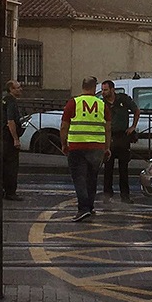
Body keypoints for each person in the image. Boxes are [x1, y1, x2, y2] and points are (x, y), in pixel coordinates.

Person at [60, 76, 111, 222]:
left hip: (77, 146)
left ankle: (83, 209)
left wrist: (64, 144)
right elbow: (108, 129)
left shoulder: (73, 103)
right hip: (97, 148)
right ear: (95, 88)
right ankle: (90, 206)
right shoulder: (102, 105)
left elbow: (64, 126)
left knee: (79, 178)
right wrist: (107, 148)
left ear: (82, 87)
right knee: (92, 178)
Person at [101, 79, 140, 204]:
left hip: (122, 136)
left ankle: (125, 196)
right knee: (108, 167)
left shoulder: (122, 99)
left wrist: (133, 126)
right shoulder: (102, 103)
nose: (103, 92)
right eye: (102, 90)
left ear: (112, 89)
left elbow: (136, 110)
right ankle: (107, 194)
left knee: (123, 168)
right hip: (109, 136)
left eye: (105, 90)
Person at [2, 80, 24, 201]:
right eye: (18, 87)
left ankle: (3, 190)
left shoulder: (4, 100)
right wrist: (16, 139)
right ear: (11, 89)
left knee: (3, 166)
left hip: (2, 138)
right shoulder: (11, 101)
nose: (21, 89)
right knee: (11, 166)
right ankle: (10, 192)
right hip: (8, 138)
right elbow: (10, 121)